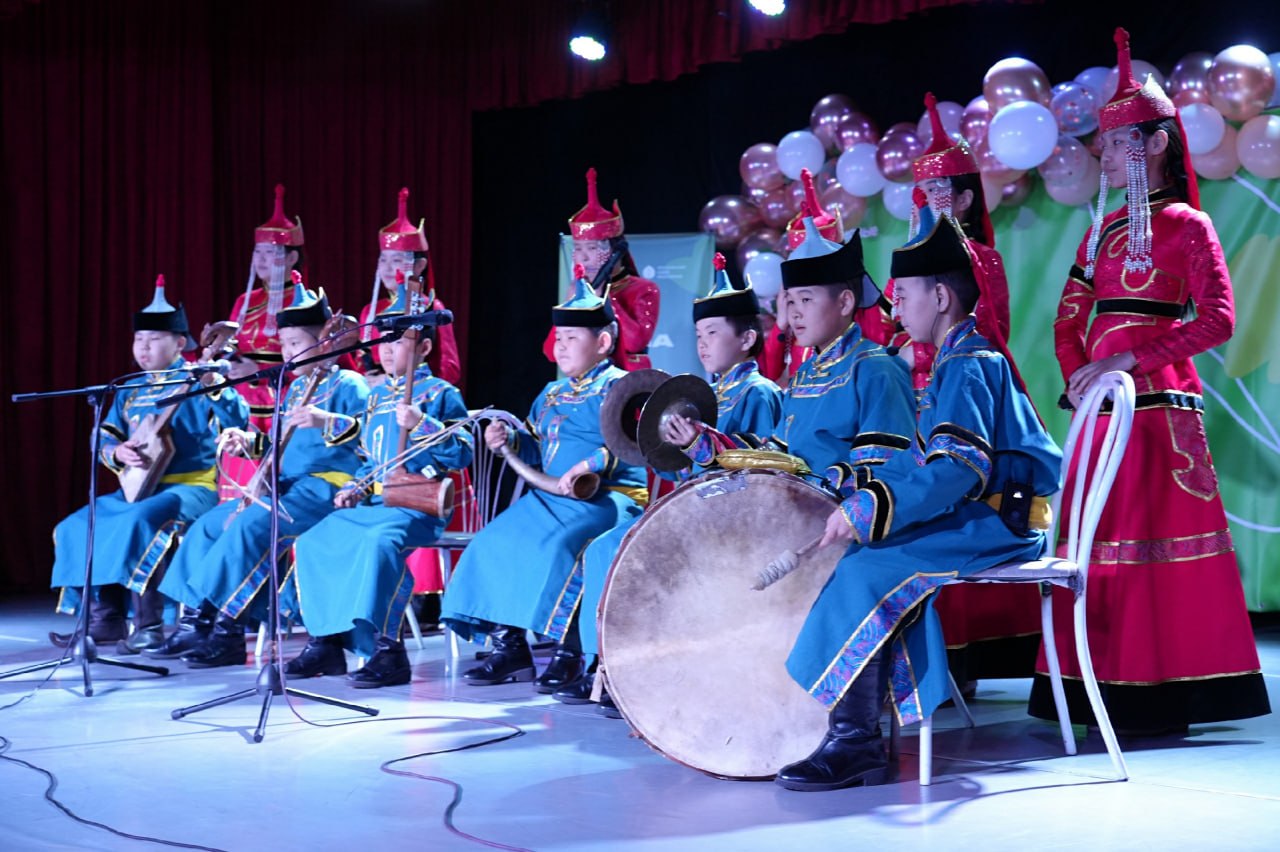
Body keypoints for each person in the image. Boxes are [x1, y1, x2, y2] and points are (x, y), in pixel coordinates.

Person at [1035, 27, 1270, 735]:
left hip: (1161, 409)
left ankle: (1173, 691)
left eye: (1116, 143)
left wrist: (1128, 362)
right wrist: (1081, 377)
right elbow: (1067, 319)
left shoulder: (1189, 225)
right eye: (1104, 144)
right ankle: (1094, 683)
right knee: (1098, 539)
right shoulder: (1098, 234)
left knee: (1158, 544)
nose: (1103, 155)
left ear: (1157, 144)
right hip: (1101, 414)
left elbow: (1219, 320)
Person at [775, 213, 1061, 791]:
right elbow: (922, 459)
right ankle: (857, 731)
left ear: (941, 296)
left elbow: (958, 469)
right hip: (977, 513)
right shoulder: (955, 360)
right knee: (868, 557)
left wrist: (868, 510)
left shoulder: (970, 363)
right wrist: (866, 495)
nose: (895, 306)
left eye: (904, 294)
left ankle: (855, 739)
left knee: (865, 568)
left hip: (998, 519)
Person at [551, 252, 784, 713]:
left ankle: (634, 673)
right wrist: (668, 448)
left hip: (733, 518)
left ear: (747, 338)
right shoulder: (706, 393)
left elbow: (758, 465)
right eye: (698, 335)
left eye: (713, 333)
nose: (702, 344)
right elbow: (680, 470)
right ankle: (603, 664)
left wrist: (700, 446)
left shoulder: (759, 392)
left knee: (637, 555)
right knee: (605, 548)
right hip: (692, 508)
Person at [442, 266, 648, 685]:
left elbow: (636, 442)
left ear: (603, 342)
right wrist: (509, 441)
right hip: (550, 496)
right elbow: (537, 448)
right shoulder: (551, 393)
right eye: (559, 338)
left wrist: (591, 464)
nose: (562, 346)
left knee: (559, 547)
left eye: (573, 337)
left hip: (606, 497)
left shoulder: (622, 388)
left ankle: (570, 651)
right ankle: (510, 646)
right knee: (491, 542)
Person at [151, 282, 369, 665]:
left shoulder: (350, 383)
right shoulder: (294, 389)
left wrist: (326, 420)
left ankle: (226, 630)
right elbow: (277, 446)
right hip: (286, 487)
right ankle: (194, 622)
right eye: (283, 344)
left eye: (296, 342)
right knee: (210, 524)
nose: (288, 352)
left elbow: (368, 435)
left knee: (251, 523)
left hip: (326, 488)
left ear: (326, 341)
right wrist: (247, 441)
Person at [284, 279, 473, 688]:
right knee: (314, 541)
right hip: (375, 502)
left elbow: (462, 452)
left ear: (424, 347)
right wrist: (354, 486)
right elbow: (368, 459)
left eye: (399, 341)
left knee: (377, 544)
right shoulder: (376, 396)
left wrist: (422, 423)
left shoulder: (440, 393)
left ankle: (389, 651)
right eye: (384, 340)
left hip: (417, 505)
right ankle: (326, 641)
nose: (386, 349)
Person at [49, 276, 248, 654]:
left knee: (140, 520)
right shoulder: (130, 389)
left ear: (179, 343)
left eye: (154, 339)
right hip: (140, 488)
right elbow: (103, 437)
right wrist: (117, 452)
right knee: (77, 525)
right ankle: (106, 618)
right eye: (139, 339)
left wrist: (213, 381)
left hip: (191, 488)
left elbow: (237, 418)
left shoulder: (199, 378)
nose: (144, 347)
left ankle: (149, 625)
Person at [671, 216, 914, 481]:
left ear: (844, 302)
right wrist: (701, 446)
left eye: (806, 299)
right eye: (790, 302)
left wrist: (818, 489)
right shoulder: (803, 376)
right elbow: (778, 453)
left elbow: (883, 470)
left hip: (838, 505)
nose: (795, 313)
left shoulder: (876, 369)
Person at [542, 168, 660, 371]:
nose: (583, 257)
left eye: (591, 248)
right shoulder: (577, 293)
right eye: (578, 248)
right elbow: (550, 352)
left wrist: (605, 299)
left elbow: (635, 343)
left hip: (628, 382)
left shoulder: (644, 289)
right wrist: (570, 305)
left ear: (615, 251)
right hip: (587, 382)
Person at [355, 187, 461, 385]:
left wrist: (410, 384)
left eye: (396, 260)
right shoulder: (370, 311)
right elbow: (362, 365)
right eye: (383, 260)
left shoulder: (430, 308)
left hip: (419, 392)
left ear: (419, 265)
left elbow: (450, 367)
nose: (387, 268)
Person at [225, 184, 306, 434]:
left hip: (285, 397)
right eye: (257, 252)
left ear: (292, 258)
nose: (260, 259)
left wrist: (259, 371)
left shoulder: (303, 301)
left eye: (269, 252)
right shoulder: (245, 300)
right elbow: (233, 345)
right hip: (244, 398)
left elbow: (310, 361)